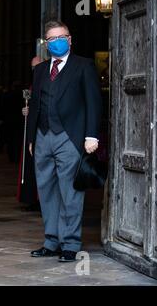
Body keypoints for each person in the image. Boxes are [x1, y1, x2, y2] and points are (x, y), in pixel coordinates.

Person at [27, 21, 102, 262]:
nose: (57, 41)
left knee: (70, 192)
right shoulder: (39, 71)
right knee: (46, 191)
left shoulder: (83, 66)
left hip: (70, 137)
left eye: (61, 37)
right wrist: (31, 138)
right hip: (42, 137)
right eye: (52, 39)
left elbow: (94, 102)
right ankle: (51, 241)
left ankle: (70, 243)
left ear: (69, 39)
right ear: (46, 44)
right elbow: (35, 105)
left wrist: (91, 135)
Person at [16, 57, 42, 212]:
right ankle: (31, 198)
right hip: (32, 132)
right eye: (33, 67)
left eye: (37, 67)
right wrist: (26, 111)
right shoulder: (32, 85)